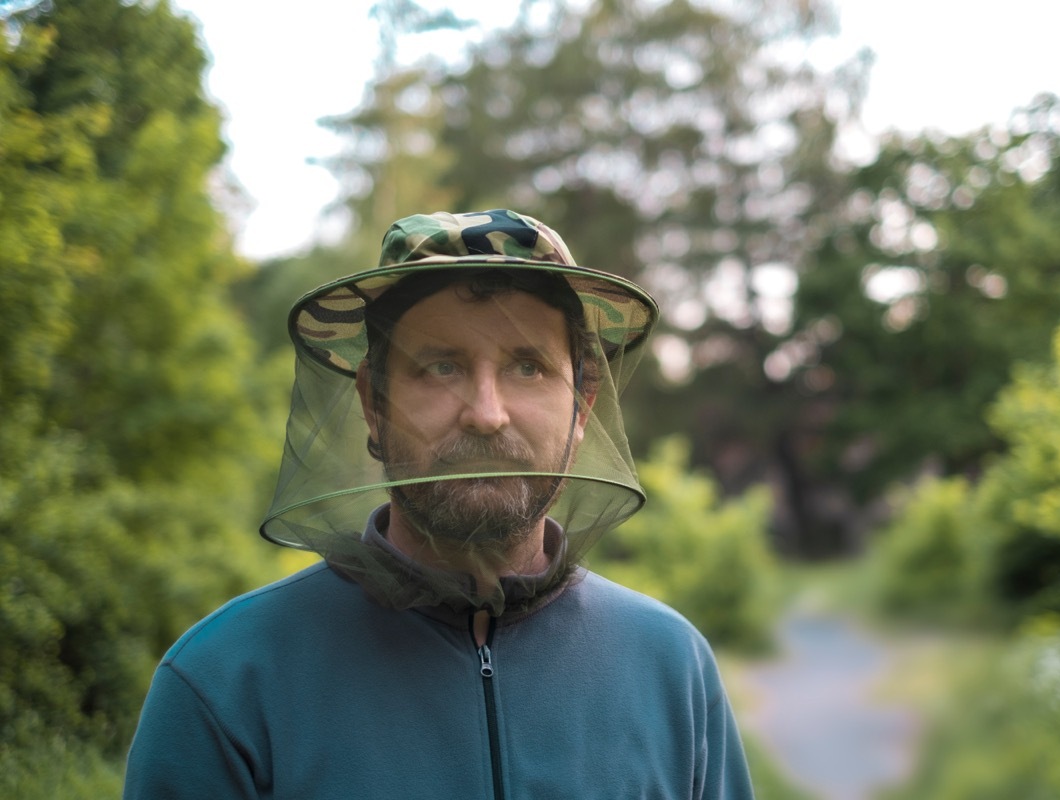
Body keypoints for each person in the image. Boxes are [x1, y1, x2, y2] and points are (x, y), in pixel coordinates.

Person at [123, 209, 756, 799]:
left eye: (528, 367)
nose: (486, 414)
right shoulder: (227, 683)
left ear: (583, 404)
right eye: (441, 367)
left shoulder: (674, 669)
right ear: (374, 401)